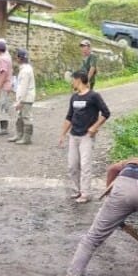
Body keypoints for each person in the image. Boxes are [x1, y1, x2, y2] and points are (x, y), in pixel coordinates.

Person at [58, 70, 110, 203]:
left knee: (85, 165)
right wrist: (63, 134)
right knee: (72, 165)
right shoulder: (74, 97)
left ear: (78, 80)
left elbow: (106, 113)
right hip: (73, 135)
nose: (72, 82)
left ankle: (85, 193)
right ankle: (77, 190)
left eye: (73, 80)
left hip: (86, 136)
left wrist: (94, 127)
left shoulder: (94, 96)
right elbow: (69, 117)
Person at [10, 48, 36, 145]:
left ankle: (27, 138)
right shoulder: (25, 69)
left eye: (17, 56)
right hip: (25, 97)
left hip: (26, 98)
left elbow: (23, 87)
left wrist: (20, 101)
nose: (16, 58)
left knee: (26, 117)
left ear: (20, 58)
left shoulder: (25, 71)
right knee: (20, 117)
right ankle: (19, 135)